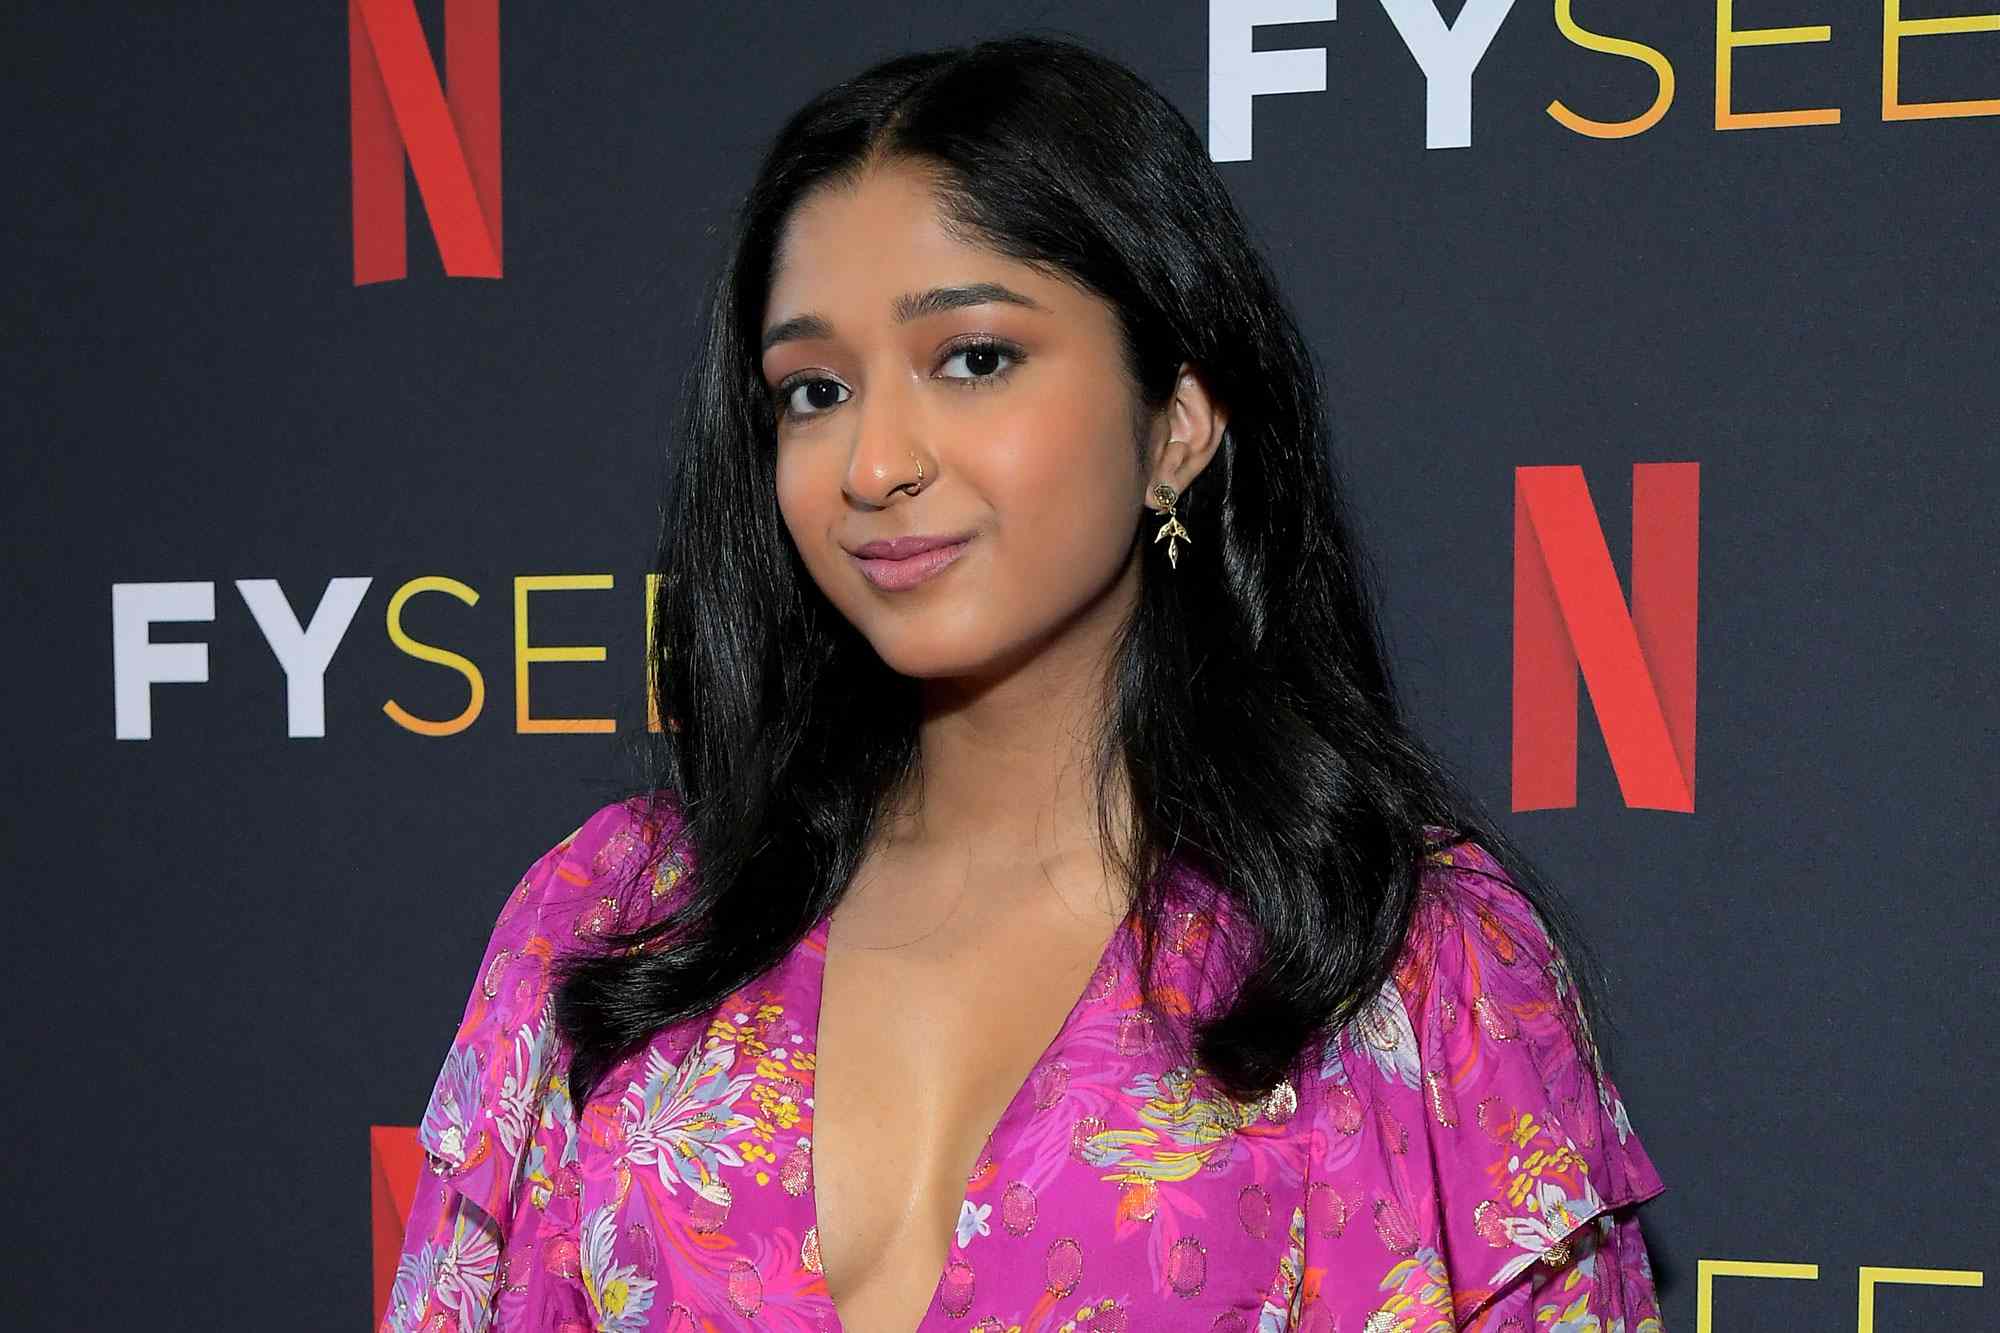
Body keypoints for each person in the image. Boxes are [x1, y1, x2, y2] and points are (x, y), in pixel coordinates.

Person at [381, 32, 1667, 1333]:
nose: (874, 459)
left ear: (1177, 422)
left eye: (974, 357)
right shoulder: (616, 917)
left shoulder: (1403, 956)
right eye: (814, 389)